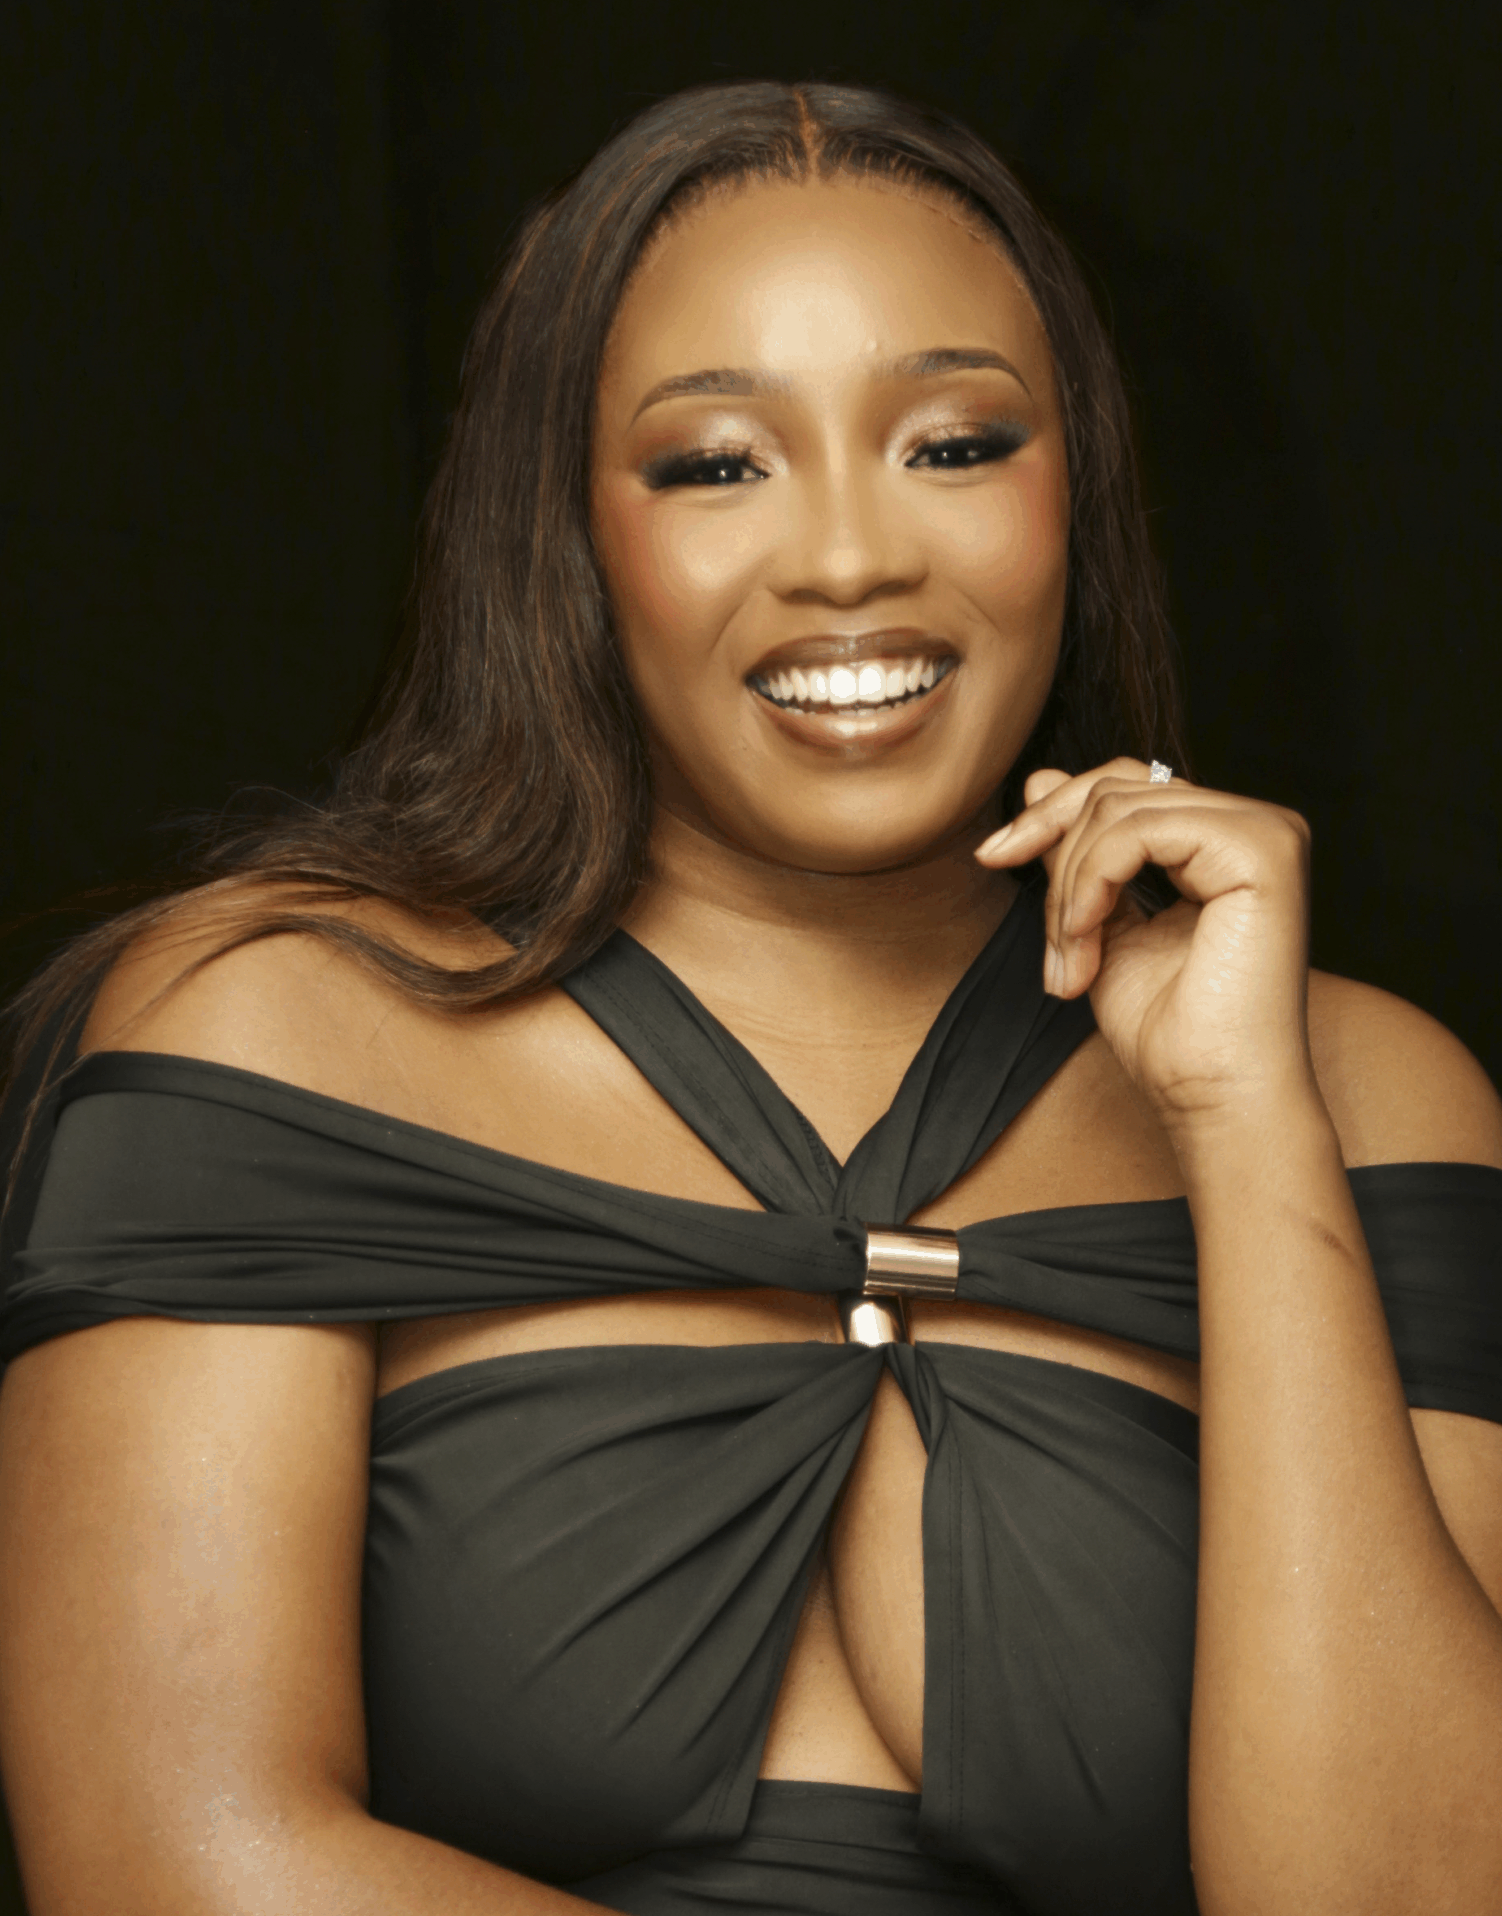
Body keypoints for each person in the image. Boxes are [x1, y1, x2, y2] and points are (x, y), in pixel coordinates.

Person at [0, 78, 1500, 1916]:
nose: (850, 555)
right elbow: (172, 1862)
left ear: (1077, 496)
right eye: (715, 464)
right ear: (567, 530)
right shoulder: (276, 1028)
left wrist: (1242, 1124)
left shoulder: (1364, 1093)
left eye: (955, 444)